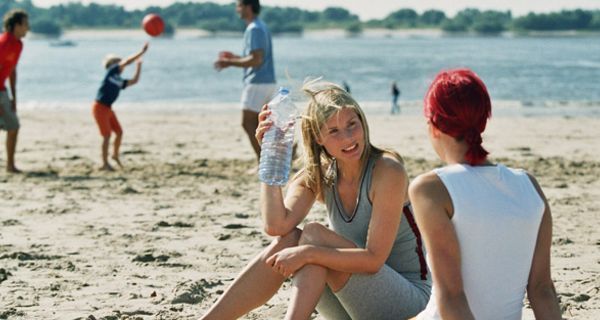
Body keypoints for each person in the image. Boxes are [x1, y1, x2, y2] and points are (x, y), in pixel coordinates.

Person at [201, 80, 430, 320]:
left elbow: (373, 260)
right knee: (291, 239)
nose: (348, 138)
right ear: (319, 138)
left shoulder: (387, 171)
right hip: (352, 302)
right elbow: (276, 226)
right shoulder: (320, 175)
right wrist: (271, 154)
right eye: (334, 131)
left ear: (362, 122)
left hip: (409, 303)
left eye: (352, 124)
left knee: (313, 237)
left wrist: (309, 253)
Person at [409, 69, 562, 320]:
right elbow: (542, 290)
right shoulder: (529, 186)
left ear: (433, 125)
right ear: (483, 120)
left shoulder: (431, 189)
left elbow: (452, 297)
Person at [214, 0, 276, 167]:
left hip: (257, 82)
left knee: (248, 123)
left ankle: (263, 162)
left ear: (248, 7)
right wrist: (235, 57)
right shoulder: (260, 26)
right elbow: (256, 57)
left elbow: (256, 60)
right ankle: (280, 154)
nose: (237, 9)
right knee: (262, 124)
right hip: (267, 81)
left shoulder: (254, 29)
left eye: (239, 5)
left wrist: (229, 63)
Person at [93, 43, 148, 171]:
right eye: (118, 62)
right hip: (99, 107)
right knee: (106, 136)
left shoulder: (118, 79)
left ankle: (115, 156)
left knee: (119, 132)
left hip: (108, 108)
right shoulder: (110, 72)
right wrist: (141, 51)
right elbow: (127, 61)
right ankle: (104, 163)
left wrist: (139, 66)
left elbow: (134, 81)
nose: (121, 64)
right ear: (112, 64)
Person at [0, 9, 29, 173]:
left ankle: (10, 165)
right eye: (25, 24)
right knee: (12, 126)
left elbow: (12, 70)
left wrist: (14, 97)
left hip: (2, 90)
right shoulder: (3, 43)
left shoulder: (18, 45)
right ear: (16, 25)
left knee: (13, 126)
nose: (28, 28)